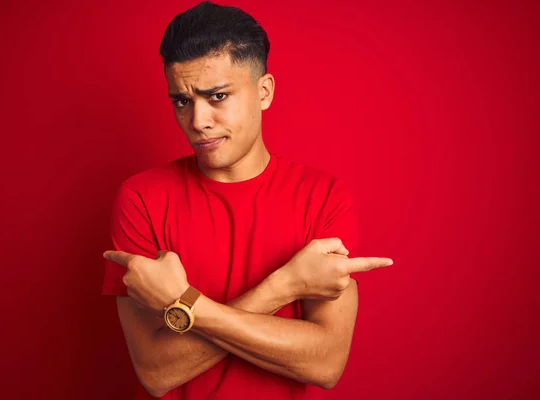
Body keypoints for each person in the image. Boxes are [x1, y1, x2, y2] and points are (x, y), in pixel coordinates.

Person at [101, 2, 393, 399]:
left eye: (217, 96)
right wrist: (285, 286)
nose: (198, 120)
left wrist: (182, 304)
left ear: (264, 92)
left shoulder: (323, 197)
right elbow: (155, 371)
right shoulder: (141, 198)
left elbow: (325, 363)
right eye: (181, 101)